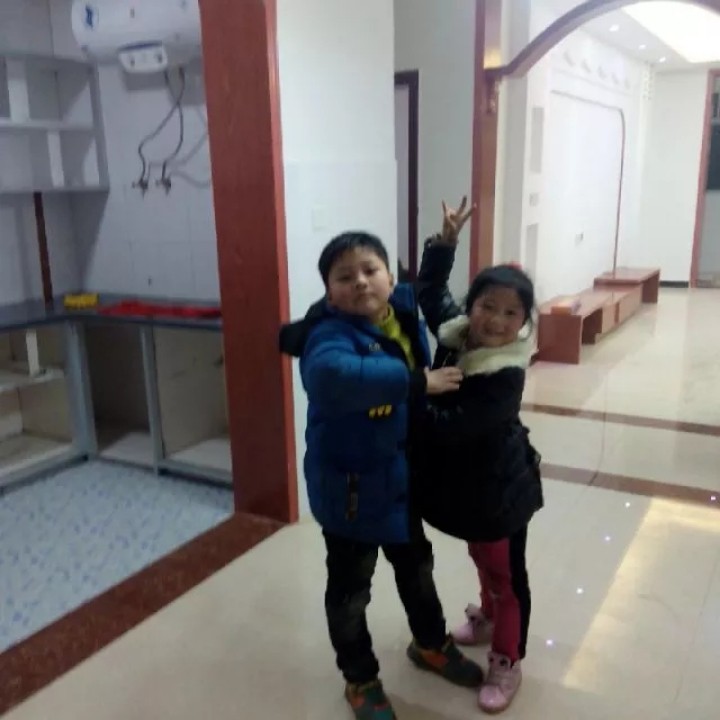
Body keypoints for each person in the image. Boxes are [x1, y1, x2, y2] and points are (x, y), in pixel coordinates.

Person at [279, 231, 483, 720]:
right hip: (350, 493)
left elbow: (430, 287)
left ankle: (430, 644)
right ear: (329, 293)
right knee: (351, 594)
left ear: (391, 277)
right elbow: (332, 378)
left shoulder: (402, 310)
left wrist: (443, 246)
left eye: (370, 270)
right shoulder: (328, 336)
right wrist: (417, 382)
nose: (360, 282)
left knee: (417, 569)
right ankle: (360, 680)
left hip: (400, 481)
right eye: (344, 277)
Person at [415, 198, 544, 714]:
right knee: (480, 557)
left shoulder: (505, 374)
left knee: (507, 575)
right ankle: (488, 618)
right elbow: (430, 293)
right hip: (467, 486)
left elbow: (454, 426)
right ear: (472, 306)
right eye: (488, 306)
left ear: (523, 322)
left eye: (511, 313)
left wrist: (409, 394)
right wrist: (444, 244)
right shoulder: (458, 333)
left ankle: (508, 659)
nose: (496, 320)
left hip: (499, 488)